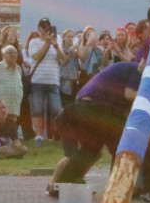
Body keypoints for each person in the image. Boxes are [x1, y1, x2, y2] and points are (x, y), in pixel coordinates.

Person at [51, 60, 142, 189]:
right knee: (117, 147)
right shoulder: (137, 70)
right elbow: (129, 94)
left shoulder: (123, 70)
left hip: (82, 106)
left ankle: (63, 184)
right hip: (96, 107)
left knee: (90, 150)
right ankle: (116, 187)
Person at [27, 16, 65, 145]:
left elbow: (63, 59)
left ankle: (60, 136)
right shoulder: (34, 42)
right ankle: (38, 136)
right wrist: (47, 43)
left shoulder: (57, 39)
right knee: (37, 110)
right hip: (37, 80)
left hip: (53, 80)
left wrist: (55, 45)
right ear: (39, 28)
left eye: (47, 27)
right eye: (43, 27)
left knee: (57, 110)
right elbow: (36, 57)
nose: (45, 29)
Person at [0, 45, 24, 138]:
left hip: (13, 105)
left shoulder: (18, 69)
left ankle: (11, 143)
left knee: (11, 126)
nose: (13, 55)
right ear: (3, 55)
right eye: (10, 53)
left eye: (15, 53)